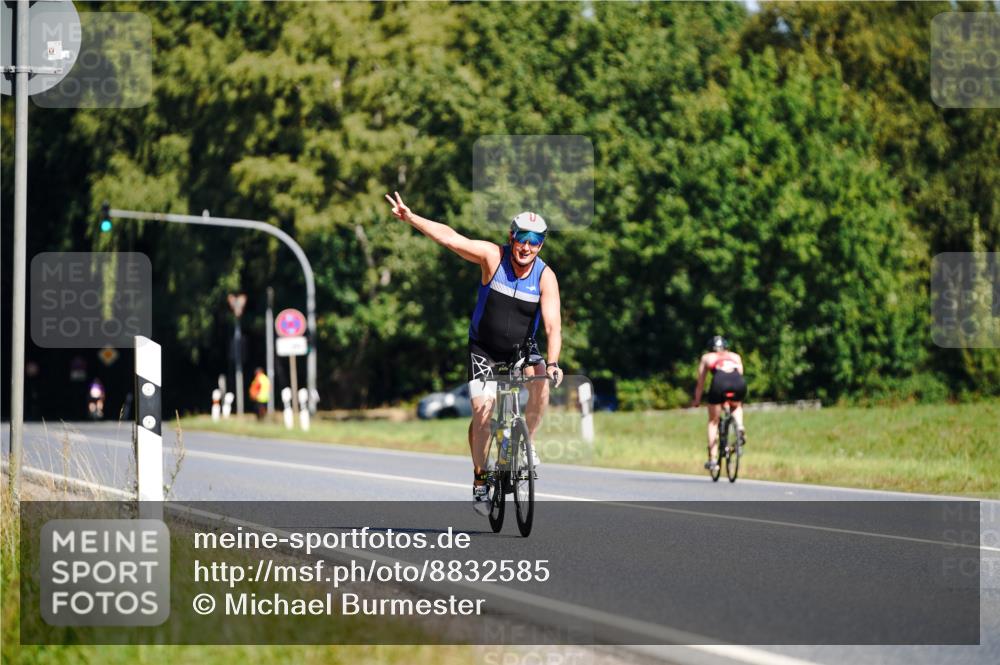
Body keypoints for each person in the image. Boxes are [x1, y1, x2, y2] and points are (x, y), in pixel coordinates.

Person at [385, 191, 564, 514]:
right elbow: (451, 239)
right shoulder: (492, 257)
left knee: (541, 383)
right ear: (512, 237)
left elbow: (553, 326)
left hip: (522, 350)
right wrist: (411, 218)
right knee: (482, 413)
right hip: (483, 349)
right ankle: (481, 479)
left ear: (541, 245)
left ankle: (529, 443)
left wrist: (553, 363)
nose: (527, 247)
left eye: (535, 242)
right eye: (522, 239)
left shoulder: (545, 276)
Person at [692, 335, 747, 471]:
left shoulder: (707, 357)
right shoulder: (735, 356)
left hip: (719, 383)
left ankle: (713, 459)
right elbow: (739, 374)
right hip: (737, 383)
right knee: (737, 405)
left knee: (713, 422)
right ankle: (739, 427)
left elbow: (701, 382)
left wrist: (697, 400)